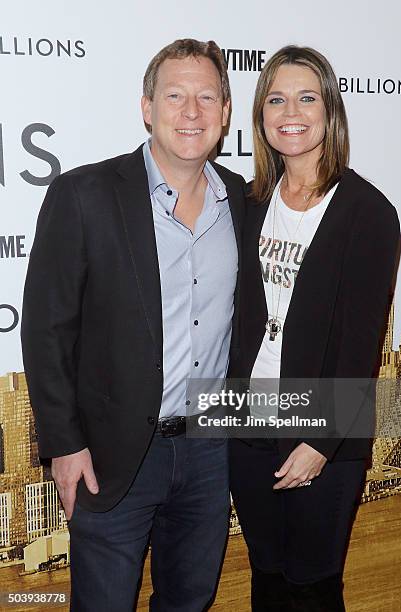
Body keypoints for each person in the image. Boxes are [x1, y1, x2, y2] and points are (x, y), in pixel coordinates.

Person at [21, 38, 245, 612]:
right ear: (146, 107)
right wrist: (64, 445)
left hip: (209, 449)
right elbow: (47, 330)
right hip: (113, 454)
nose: (191, 112)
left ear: (225, 112)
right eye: (175, 95)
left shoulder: (244, 201)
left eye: (206, 97)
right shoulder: (85, 193)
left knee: (189, 601)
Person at [229, 45, 400, 611]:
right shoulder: (251, 201)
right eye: (276, 99)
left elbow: (360, 347)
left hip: (323, 430)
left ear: (330, 109)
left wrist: (319, 441)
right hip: (249, 419)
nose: (290, 112)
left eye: (307, 97)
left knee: (313, 585)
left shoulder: (368, 212)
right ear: (260, 116)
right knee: (267, 575)